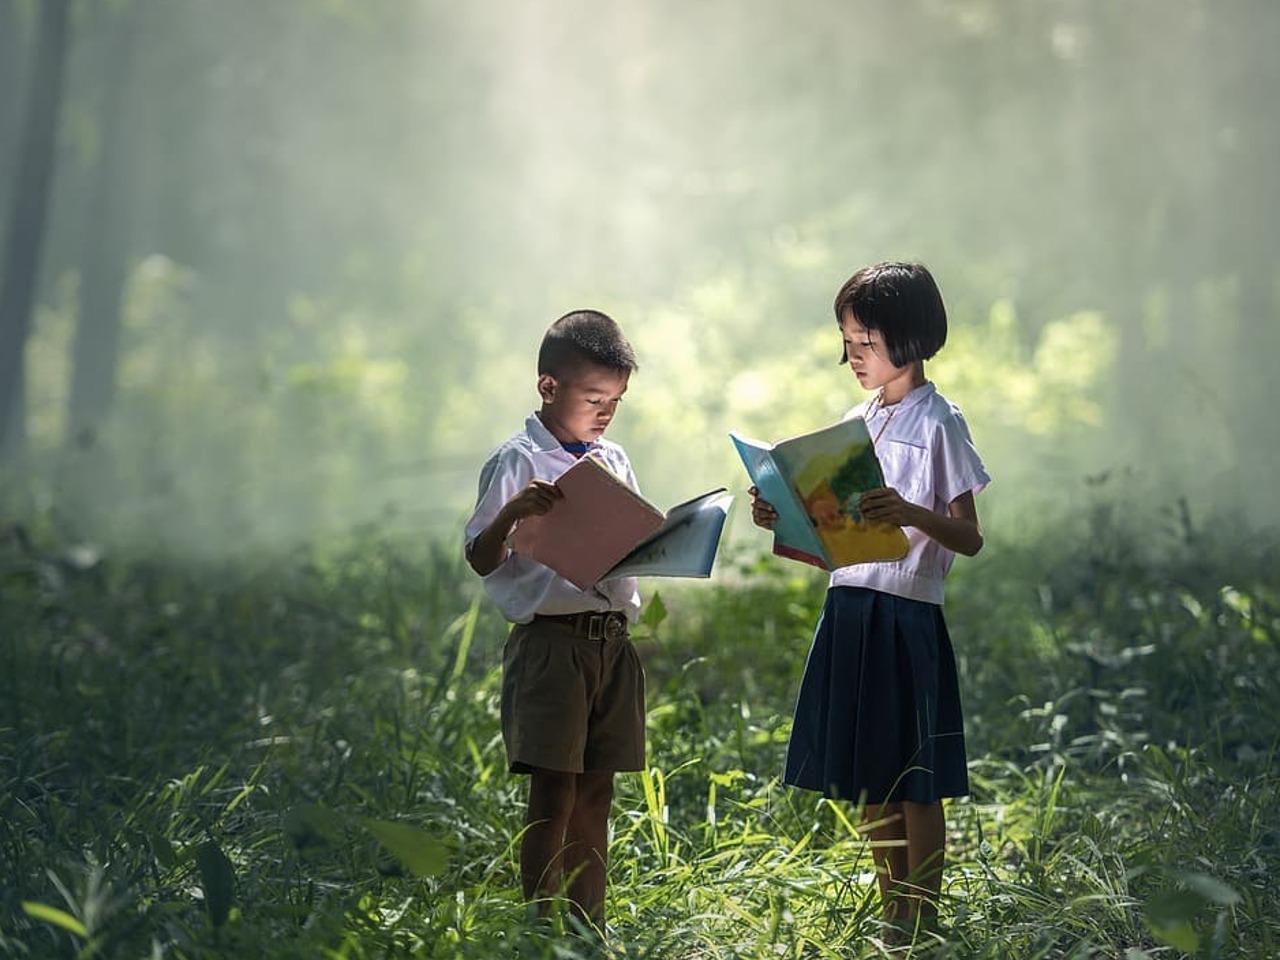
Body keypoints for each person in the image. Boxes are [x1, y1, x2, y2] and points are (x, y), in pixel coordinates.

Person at [749, 262, 990, 939]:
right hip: (850, 605)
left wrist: (912, 510)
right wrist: (783, 513)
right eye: (846, 343)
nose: (849, 357)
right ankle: (894, 917)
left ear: (908, 338)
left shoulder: (941, 420)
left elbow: (968, 536)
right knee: (872, 777)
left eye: (863, 343)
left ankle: (927, 921)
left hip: (907, 611)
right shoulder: (857, 422)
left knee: (918, 776)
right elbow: (830, 531)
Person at [464, 309, 645, 932]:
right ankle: (543, 928)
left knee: (597, 792)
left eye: (615, 400)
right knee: (554, 794)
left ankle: (587, 923)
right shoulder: (516, 460)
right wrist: (512, 513)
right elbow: (480, 557)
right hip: (551, 646)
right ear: (549, 386)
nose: (605, 412)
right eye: (594, 397)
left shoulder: (613, 459)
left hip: (611, 645)